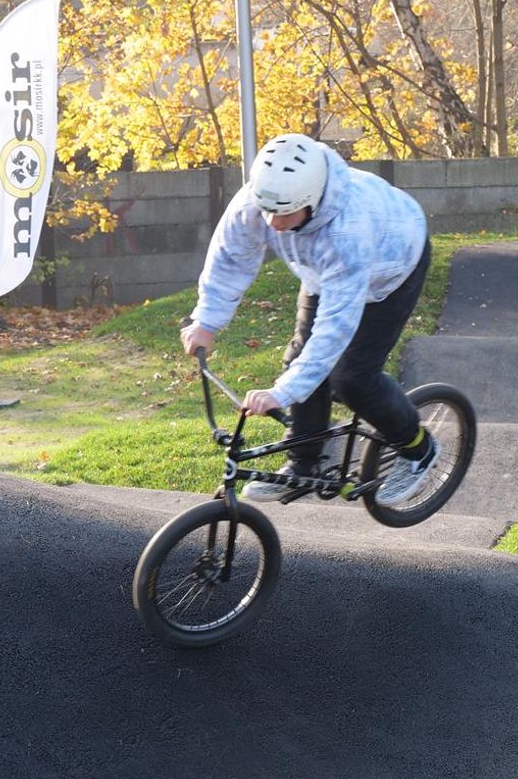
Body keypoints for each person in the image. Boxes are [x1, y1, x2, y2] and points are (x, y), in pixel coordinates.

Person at [181, 133, 438, 507]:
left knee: (351, 380)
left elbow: (334, 331)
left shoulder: (347, 230)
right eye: (268, 211)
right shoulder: (259, 200)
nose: (274, 223)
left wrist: (281, 393)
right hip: (322, 271)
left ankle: (418, 448)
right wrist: (207, 321)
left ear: (313, 202)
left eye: (285, 213)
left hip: (392, 268)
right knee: (298, 360)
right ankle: (303, 464)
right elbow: (230, 259)